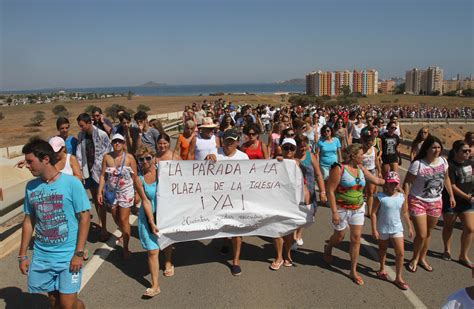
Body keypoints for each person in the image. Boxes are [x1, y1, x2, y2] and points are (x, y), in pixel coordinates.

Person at [18, 138, 91, 309]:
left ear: (45, 159)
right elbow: (29, 221)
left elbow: (85, 218)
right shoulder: (31, 187)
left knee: (67, 305)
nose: (27, 165)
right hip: (43, 256)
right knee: (53, 301)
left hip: (68, 255)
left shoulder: (72, 183)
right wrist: (22, 256)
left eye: (30, 161)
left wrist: (78, 253)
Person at [323, 144, 385, 285]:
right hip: (341, 209)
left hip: (358, 208)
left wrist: (393, 184)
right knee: (339, 236)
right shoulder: (339, 168)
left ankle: (353, 270)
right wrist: (334, 212)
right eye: (361, 154)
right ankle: (329, 247)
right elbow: (330, 191)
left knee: (356, 239)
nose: (364, 157)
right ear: (353, 155)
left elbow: (376, 180)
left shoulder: (361, 168)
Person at [403, 135, 456, 272]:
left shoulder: (443, 161)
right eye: (433, 147)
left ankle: (422, 258)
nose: (436, 150)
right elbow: (407, 183)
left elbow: (446, 179)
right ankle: (414, 258)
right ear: (426, 149)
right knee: (421, 234)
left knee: (428, 233)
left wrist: (451, 195)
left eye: (439, 147)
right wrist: (405, 202)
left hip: (435, 202)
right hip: (418, 200)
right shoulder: (418, 164)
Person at [205, 128, 249, 276]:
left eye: (232, 141)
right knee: (223, 223)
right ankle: (225, 241)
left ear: (237, 142)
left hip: (237, 198)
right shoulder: (215, 154)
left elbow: (249, 177)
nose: (228, 144)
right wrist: (207, 161)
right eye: (226, 140)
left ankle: (235, 261)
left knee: (237, 230)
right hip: (219, 197)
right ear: (222, 140)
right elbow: (202, 174)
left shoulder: (243, 157)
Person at [135, 146, 173, 298]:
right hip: (149, 215)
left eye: (147, 158)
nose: (144, 162)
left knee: (167, 241)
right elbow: (145, 201)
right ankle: (155, 285)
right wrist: (151, 222)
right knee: (152, 250)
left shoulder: (162, 172)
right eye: (141, 159)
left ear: (153, 158)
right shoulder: (139, 179)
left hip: (166, 213)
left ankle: (168, 261)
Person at [270, 138, 311, 270]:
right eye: (286, 147)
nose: (288, 151)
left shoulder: (299, 165)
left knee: (288, 232)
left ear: (295, 150)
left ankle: (287, 255)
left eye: (291, 148)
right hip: (277, 200)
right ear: (281, 148)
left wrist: (306, 201)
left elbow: (304, 185)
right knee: (277, 231)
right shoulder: (274, 163)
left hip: (293, 202)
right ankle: (278, 257)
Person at [97, 134, 138, 259]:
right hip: (111, 192)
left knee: (124, 219)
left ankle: (125, 248)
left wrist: (137, 194)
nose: (117, 143)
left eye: (120, 141)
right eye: (115, 141)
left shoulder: (130, 158)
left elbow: (135, 177)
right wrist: (100, 192)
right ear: (112, 143)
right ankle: (122, 231)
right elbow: (103, 176)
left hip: (126, 192)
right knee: (115, 216)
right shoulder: (107, 157)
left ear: (124, 143)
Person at [371, 171, 413, 290]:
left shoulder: (401, 197)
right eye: (390, 183)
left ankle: (398, 278)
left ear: (398, 184)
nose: (392, 186)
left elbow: (405, 212)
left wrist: (409, 226)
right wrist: (374, 229)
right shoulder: (380, 197)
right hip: (383, 228)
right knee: (383, 249)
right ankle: (382, 268)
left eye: (395, 183)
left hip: (397, 228)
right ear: (386, 184)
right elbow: (373, 213)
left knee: (400, 253)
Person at [76, 113, 111, 242]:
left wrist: (105, 172)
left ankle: (104, 228)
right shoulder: (81, 136)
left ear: (89, 123)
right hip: (88, 171)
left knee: (101, 200)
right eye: (79, 126)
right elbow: (79, 153)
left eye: (82, 126)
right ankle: (102, 224)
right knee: (96, 200)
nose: (81, 128)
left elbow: (108, 153)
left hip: (99, 171)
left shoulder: (102, 135)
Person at [441, 140, 473, 268]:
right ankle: (447, 249)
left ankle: (463, 255)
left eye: (468, 151)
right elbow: (452, 186)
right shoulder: (449, 166)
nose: (467, 153)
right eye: (464, 151)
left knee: (470, 228)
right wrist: (466, 197)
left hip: (467, 202)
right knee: (449, 227)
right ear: (456, 152)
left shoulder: (470, 163)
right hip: (452, 201)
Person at [293, 134, 327, 248]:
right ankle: (293, 237)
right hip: (295, 192)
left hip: (310, 190)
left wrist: (322, 192)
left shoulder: (311, 156)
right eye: (301, 146)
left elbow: (318, 174)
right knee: (295, 214)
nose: (303, 149)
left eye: (305, 146)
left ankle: (299, 234)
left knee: (306, 214)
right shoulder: (291, 156)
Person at [361, 131, 381, 217]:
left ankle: (369, 212)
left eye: (370, 144)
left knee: (370, 192)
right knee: (360, 191)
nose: (369, 146)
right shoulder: (360, 150)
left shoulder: (374, 149)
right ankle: (359, 208)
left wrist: (379, 171)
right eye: (367, 144)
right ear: (364, 142)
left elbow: (376, 161)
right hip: (362, 171)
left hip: (372, 171)